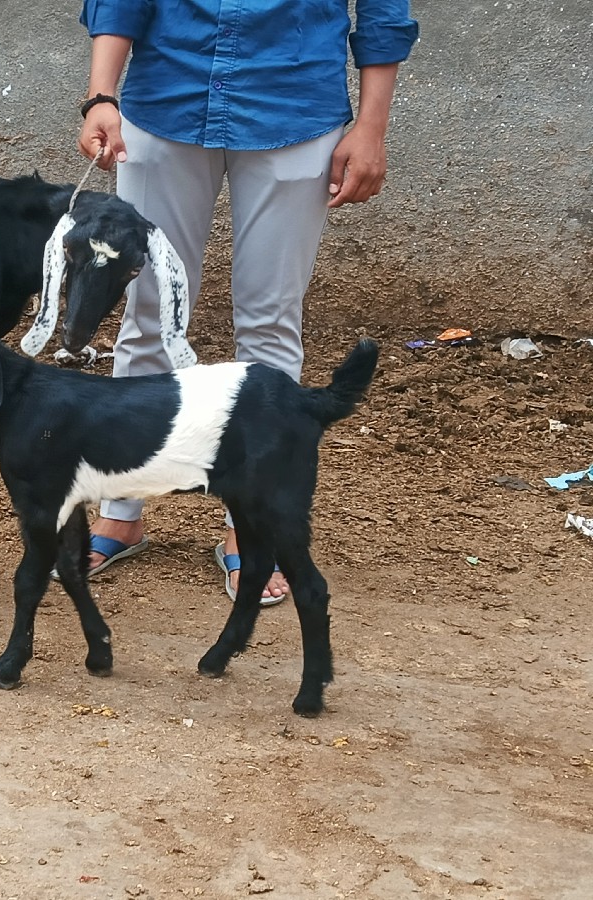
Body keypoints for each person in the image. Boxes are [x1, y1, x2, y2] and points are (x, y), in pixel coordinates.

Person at [76, 0, 418, 604]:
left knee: (270, 322)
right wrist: (101, 95)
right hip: (166, 97)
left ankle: (253, 526)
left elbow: (383, 12)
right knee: (148, 311)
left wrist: (372, 127)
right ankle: (121, 509)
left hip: (295, 107)